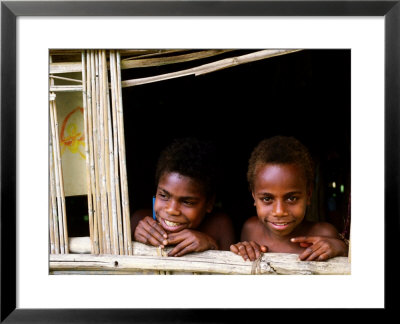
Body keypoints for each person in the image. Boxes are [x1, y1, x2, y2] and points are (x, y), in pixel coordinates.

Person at [230, 136, 349, 262]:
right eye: (267, 198)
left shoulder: (324, 234)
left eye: (292, 198)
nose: (279, 211)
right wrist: (244, 250)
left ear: (308, 194)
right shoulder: (251, 229)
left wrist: (343, 249)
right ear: (253, 195)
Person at [131, 137, 235, 257]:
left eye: (187, 202)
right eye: (164, 195)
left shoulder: (219, 226)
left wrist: (211, 244)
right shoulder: (139, 220)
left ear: (209, 203)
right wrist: (134, 238)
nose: (172, 210)